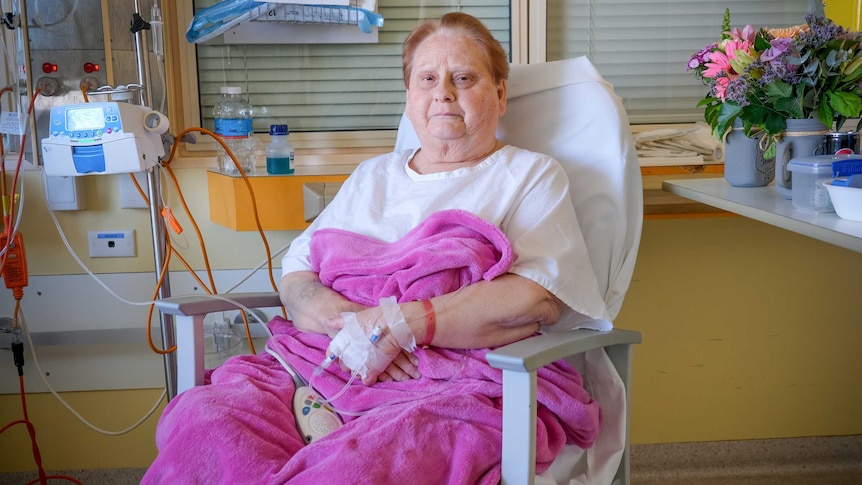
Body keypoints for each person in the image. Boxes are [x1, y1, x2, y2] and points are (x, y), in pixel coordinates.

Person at [143, 12, 604, 484]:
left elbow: (536, 297)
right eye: (427, 79)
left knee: (357, 469)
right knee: (207, 416)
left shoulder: (529, 176)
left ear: (500, 95)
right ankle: (318, 418)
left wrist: (399, 325)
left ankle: (327, 434)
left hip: (445, 385)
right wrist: (356, 331)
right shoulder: (372, 176)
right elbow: (297, 277)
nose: (443, 92)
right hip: (322, 359)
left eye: (463, 78)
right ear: (410, 97)